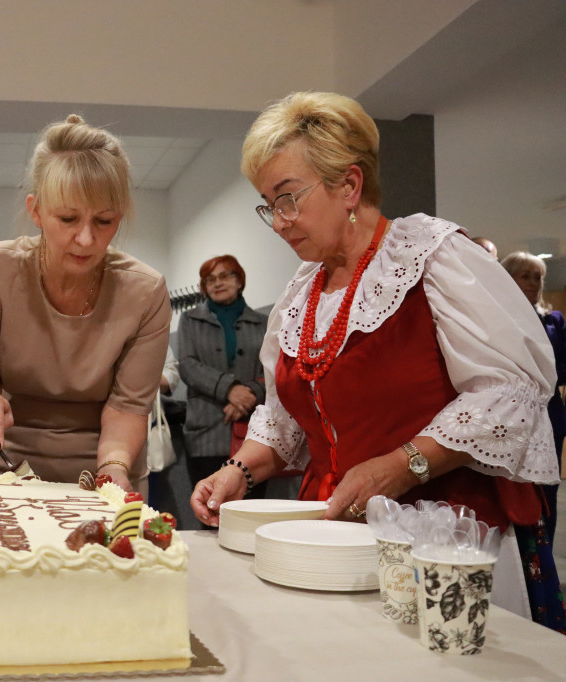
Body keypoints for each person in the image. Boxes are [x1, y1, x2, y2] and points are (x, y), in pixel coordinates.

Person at [189, 92, 563, 631]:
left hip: (441, 537)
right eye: (269, 204)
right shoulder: (300, 294)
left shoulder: (433, 258)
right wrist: (239, 470)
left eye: (288, 197)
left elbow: (510, 392)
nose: (279, 222)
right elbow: (289, 421)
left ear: (349, 185)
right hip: (334, 538)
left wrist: (401, 465)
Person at [0, 115, 171, 491]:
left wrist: (114, 467)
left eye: (104, 221)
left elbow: (127, 408)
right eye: (68, 218)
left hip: (106, 469)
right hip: (7, 467)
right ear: (36, 211)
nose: (86, 239)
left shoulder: (145, 292)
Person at [178, 255, 269, 497]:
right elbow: (187, 365)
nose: (217, 283)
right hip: (206, 432)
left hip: (253, 432)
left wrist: (249, 394)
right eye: (210, 279)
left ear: (239, 281)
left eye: (225, 276)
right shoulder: (190, 320)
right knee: (210, 506)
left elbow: (272, 370)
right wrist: (230, 389)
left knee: (251, 510)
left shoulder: (263, 322)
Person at [502, 251, 565, 539]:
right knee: (515, 489)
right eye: (525, 276)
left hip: (549, 414)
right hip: (510, 413)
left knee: (547, 492)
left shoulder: (554, 321)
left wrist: (541, 375)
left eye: (537, 277)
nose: (532, 283)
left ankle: (544, 558)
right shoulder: (496, 317)